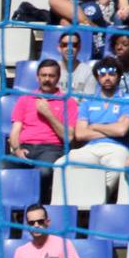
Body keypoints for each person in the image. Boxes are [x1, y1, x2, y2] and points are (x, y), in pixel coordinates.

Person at [6, 58, 78, 187]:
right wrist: (17, 150)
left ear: (58, 78)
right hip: (25, 147)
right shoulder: (25, 99)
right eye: (43, 75)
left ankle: (38, 204)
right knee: (1, 167)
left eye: (51, 76)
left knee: (43, 172)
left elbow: (69, 137)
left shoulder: (68, 102)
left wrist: (48, 113)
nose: (47, 79)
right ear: (37, 77)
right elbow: (15, 131)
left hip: (51, 149)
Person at [68, 58, 129, 199]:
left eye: (111, 74)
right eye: (102, 75)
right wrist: (111, 129)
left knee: (116, 169)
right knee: (60, 165)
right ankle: (81, 201)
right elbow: (80, 134)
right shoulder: (87, 103)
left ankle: (95, 201)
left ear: (119, 76)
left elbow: (122, 130)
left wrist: (95, 126)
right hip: (90, 149)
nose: (107, 78)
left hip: (117, 148)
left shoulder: (127, 100)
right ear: (97, 78)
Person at [54, 30, 95, 97]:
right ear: (59, 48)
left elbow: (89, 101)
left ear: (79, 48)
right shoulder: (51, 70)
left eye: (74, 45)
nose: (69, 48)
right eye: (65, 45)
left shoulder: (89, 72)